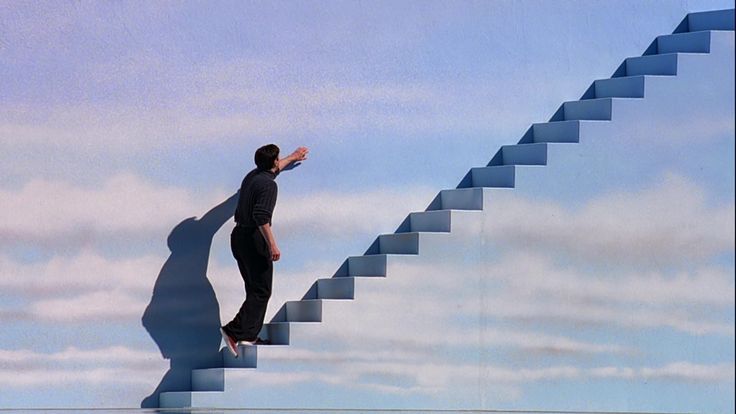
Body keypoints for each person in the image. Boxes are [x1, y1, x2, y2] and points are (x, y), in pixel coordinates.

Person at [220, 144, 309, 357]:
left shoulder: (253, 175)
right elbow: (261, 217)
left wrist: (293, 157)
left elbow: (276, 169)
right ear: (273, 162)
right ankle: (234, 331)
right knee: (261, 291)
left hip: (238, 237)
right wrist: (272, 245)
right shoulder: (269, 186)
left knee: (254, 289)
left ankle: (248, 335)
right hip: (254, 239)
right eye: (279, 158)